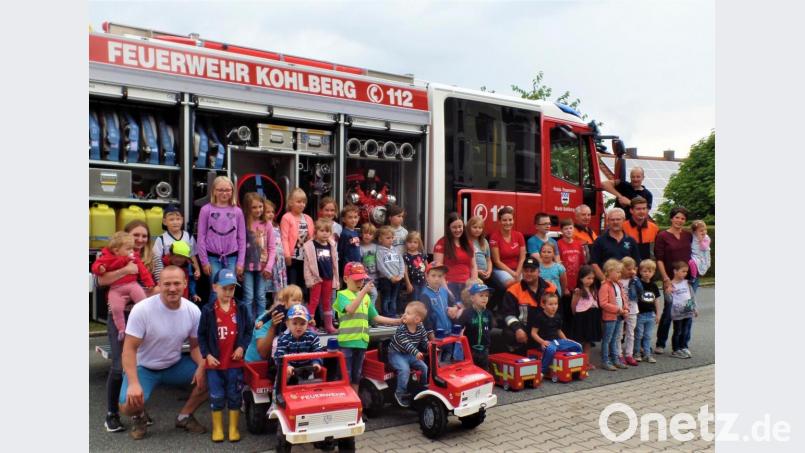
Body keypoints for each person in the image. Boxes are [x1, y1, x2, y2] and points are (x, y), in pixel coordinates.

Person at [118, 266, 207, 440]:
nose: (172, 288)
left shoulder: (193, 311)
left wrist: (202, 367)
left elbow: (195, 347)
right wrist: (134, 383)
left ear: (185, 283)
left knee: (213, 375)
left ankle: (185, 416)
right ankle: (139, 416)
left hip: (174, 365)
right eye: (167, 284)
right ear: (159, 284)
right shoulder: (142, 310)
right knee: (127, 405)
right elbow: (129, 349)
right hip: (144, 367)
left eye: (176, 283)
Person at [98, 220, 157, 433]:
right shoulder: (110, 252)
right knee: (118, 366)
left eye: (144, 236)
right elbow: (101, 280)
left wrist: (144, 293)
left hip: (142, 314)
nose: (140, 240)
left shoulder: (152, 257)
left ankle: (138, 411)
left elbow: (158, 286)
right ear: (126, 235)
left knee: (140, 365)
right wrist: (127, 270)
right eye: (136, 235)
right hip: (119, 316)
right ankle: (111, 414)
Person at [198, 269, 252, 442]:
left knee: (234, 395)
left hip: (234, 363)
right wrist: (206, 354)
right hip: (215, 364)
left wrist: (242, 347)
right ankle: (218, 428)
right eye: (224, 288)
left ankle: (234, 428)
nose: (228, 292)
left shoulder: (241, 308)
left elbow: (248, 330)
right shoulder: (207, 310)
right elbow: (201, 335)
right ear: (215, 287)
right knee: (217, 395)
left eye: (231, 288)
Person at [335, 262, 401, 391]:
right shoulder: (342, 295)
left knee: (357, 375)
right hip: (347, 342)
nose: (360, 283)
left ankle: (356, 403)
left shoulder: (365, 298)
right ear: (345, 279)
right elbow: (350, 309)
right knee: (345, 375)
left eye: (362, 280)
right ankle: (347, 403)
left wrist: (398, 321)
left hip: (362, 342)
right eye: (356, 280)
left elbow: (376, 317)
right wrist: (364, 291)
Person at [92, 232, 156, 343]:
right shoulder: (107, 257)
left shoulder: (133, 257)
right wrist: (100, 268)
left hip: (132, 285)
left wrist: (149, 282)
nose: (132, 251)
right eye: (129, 249)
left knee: (143, 302)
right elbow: (96, 266)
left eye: (132, 248)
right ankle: (121, 329)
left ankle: (149, 323)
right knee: (116, 309)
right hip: (115, 289)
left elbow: (142, 270)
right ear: (117, 250)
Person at [197, 176, 246, 304]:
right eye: (220, 190)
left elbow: (242, 238)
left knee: (230, 289)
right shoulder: (206, 210)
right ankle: (212, 320)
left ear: (232, 191)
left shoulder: (237, 211)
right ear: (213, 191)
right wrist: (204, 261)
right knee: (215, 290)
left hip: (232, 257)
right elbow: (201, 237)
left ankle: (228, 319)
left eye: (227, 190)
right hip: (213, 257)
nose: (224, 193)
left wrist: (240, 262)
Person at [654, 207, 693, 354]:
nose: (680, 220)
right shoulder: (662, 236)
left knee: (685, 312)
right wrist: (665, 279)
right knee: (669, 311)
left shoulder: (688, 235)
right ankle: (661, 343)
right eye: (677, 217)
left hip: (686, 280)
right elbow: (659, 259)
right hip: (670, 280)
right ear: (671, 218)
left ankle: (681, 345)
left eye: (682, 218)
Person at [498, 257, 556, 355]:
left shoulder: (551, 288)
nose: (528, 273)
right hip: (524, 330)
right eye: (525, 270)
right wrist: (518, 329)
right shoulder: (513, 290)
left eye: (532, 271)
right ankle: (518, 357)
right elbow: (508, 315)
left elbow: (558, 313)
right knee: (508, 333)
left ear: (539, 271)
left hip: (544, 329)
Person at [529, 292, 583, 377]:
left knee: (578, 346)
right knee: (551, 349)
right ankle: (542, 371)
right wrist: (542, 342)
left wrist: (566, 340)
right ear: (543, 305)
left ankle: (576, 369)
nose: (554, 306)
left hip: (557, 342)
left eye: (556, 304)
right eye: (550, 304)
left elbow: (559, 331)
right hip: (545, 343)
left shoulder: (558, 316)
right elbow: (533, 333)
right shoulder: (539, 317)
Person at [244, 285, 303, 363]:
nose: (281, 303)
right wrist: (273, 326)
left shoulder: (295, 316)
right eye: (279, 300)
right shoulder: (264, 318)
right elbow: (263, 354)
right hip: (256, 362)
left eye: (298, 300)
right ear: (274, 301)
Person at [388, 301, 431, 407]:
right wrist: (416, 352)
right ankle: (400, 393)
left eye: (408, 313)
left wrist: (430, 347)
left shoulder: (420, 327)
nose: (404, 315)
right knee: (404, 369)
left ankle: (423, 388)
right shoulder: (401, 329)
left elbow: (424, 340)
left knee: (424, 367)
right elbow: (406, 343)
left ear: (417, 319)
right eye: (405, 312)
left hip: (410, 354)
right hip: (396, 354)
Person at [242, 192, 276, 321]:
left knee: (261, 296)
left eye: (260, 207)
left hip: (263, 268)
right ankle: (249, 324)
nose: (258, 210)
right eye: (254, 207)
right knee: (248, 296)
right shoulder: (244, 224)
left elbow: (272, 248)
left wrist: (268, 267)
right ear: (247, 208)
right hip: (247, 267)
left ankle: (261, 323)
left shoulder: (267, 224)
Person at [302, 219, 340, 333]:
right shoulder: (311, 245)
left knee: (327, 301)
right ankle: (309, 325)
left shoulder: (331, 245)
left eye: (327, 231)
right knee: (314, 301)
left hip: (328, 277)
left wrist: (336, 279)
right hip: (316, 279)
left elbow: (334, 263)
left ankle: (328, 325)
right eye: (322, 231)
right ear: (316, 232)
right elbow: (307, 266)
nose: (325, 233)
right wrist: (309, 280)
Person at [433, 212, 477, 303]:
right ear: (448, 228)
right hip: (449, 284)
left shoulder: (469, 243)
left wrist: (473, 284)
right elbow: (437, 269)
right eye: (454, 227)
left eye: (460, 226)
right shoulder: (441, 243)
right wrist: (446, 290)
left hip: (467, 284)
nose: (458, 230)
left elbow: (473, 266)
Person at [274, 305, 324, 383]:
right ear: (287, 324)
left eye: (302, 324)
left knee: (313, 384)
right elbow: (279, 355)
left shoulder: (312, 337)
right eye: (294, 323)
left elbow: (318, 352)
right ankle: (277, 392)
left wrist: (316, 363)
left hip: (307, 370)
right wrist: (287, 366)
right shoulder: (283, 339)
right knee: (282, 377)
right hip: (289, 371)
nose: (298, 327)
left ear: (307, 324)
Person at [152, 204, 201, 282]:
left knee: (189, 280)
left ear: (182, 220)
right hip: (169, 270)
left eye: (178, 219)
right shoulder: (161, 239)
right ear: (165, 222)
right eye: (171, 219)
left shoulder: (188, 236)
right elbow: (156, 259)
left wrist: (197, 269)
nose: (175, 222)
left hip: (186, 270)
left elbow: (192, 255)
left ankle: (192, 293)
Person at [590, 208, 641, 281]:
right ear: (608, 221)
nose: (615, 222)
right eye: (612, 220)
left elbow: (636, 263)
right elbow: (594, 264)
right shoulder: (599, 241)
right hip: (607, 283)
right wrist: (605, 281)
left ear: (624, 220)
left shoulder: (631, 241)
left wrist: (630, 279)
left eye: (618, 219)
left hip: (626, 283)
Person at [281, 187, 315, 291]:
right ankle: (291, 304)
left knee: (303, 283)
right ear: (291, 202)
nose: (302, 204)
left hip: (305, 257)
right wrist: (287, 255)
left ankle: (301, 304)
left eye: (304, 202)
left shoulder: (308, 218)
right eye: (298, 202)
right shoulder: (287, 217)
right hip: (293, 257)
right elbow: (284, 237)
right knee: (292, 283)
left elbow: (312, 238)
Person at [599, 259, 629, 371]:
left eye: (620, 272)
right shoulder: (605, 286)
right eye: (617, 272)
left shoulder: (618, 285)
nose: (619, 274)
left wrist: (626, 307)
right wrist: (618, 310)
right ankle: (605, 361)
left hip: (619, 316)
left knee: (615, 338)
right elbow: (603, 303)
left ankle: (615, 359)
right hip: (610, 317)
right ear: (609, 271)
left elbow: (623, 298)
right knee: (607, 339)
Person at [570, 265, 602, 367]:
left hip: (592, 316)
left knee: (588, 342)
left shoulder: (594, 289)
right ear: (581, 278)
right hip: (582, 317)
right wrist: (577, 316)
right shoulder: (578, 291)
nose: (590, 281)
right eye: (588, 278)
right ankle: (577, 362)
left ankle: (586, 362)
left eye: (592, 278)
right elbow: (573, 305)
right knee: (580, 341)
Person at [457, 283, 494, 370]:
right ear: (472, 298)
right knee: (470, 371)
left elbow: (490, 327)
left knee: (484, 370)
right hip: (470, 349)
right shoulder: (466, 313)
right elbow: (458, 328)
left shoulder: (488, 314)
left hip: (484, 349)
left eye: (486, 296)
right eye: (481, 295)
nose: (484, 298)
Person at [488, 207, 526, 289]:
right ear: (499, 221)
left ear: (513, 220)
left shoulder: (519, 235)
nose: (508, 223)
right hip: (501, 270)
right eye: (504, 220)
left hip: (517, 269)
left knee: (530, 281)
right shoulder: (494, 237)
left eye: (510, 220)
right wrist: (513, 274)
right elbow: (497, 261)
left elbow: (522, 258)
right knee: (512, 284)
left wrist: (518, 273)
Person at [557, 218, 585, 330]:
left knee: (577, 310)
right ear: (561, 231)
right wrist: (564, 288)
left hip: (576, 284)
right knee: (566, 311)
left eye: (570, 228)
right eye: (565, 229)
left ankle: (576, 334)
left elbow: (582, 264)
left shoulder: (578, 244)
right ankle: (566, 334)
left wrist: (581, 284)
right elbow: (558, 267)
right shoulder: (558, 244)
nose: (568, 231)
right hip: (565, 284)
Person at [669, 261, 698, 359]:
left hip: (688, 310)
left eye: (686, 272)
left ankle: (683, 346)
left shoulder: (686, 283)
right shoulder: (671, 284)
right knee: (678, 331)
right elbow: (668, 299)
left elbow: (691, 296)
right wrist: (668, 292)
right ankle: (676, 349)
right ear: (675, 271)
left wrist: (694, 308)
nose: (685, 273)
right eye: (683, 271)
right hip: (678, 312)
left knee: (685, 330)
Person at [421, 262, 459, 336]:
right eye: (433, 275)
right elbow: (426, 317)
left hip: (450, 332)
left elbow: (453, 305)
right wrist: (430, 333)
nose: (437, 279)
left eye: (440, 276)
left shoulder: (444, 291)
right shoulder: (425, 295)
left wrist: (454, 308)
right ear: (427, 276)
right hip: (436, 334)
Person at [634, 259, 661, 363]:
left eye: (650, 271)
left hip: (651, 315)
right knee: (639, 335)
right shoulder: (638, 284)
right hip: (640, 314)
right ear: (640, 271)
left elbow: (657, 300)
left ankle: (647, 354)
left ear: (653, 272)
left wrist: (658, 314)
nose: (647, 273)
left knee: (648, 335)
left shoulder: (653, 286)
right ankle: (636, 353)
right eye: (645, 271)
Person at [376, 225, 405, 316]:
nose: (391, 240)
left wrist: (401, 275)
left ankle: (393, 314)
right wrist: (390, 276)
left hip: (397, 278)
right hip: (386, 279)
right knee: (386, 298)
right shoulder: (379, 251)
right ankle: (386, 315)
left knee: (394, 297)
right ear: (380, 239)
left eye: (392, 238)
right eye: (388, 238)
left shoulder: (395, 250)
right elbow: (380, 266)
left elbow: (401, 262)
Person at [263, 199, 287, 304]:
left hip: (279, 263)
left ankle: (278, 307)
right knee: (265, 287)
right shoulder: (261, 227)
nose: (271, 214)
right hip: (268, 262)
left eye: (272, 212)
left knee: (278, 290)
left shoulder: (276, 226)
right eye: (268, 212)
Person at [619, 257, 641, 367]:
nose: (631, 271)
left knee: (630, 333)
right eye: (628, 269)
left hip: (632, 308)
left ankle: (629, 354)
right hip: (620, 309)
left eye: (633, 269)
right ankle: (619, 354)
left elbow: (641, 291)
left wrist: (636, 279)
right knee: (618, 334)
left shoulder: (634, 280)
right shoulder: (617, 280)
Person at [622, 196, 659, 260]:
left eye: (644, 208)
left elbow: (658, 250)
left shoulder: (654, 228)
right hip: (629, 267)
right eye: (638, 209)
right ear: (631, 210)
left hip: (648, 267)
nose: (641, 211)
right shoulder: (623, 227)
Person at [337, 205, 362, 284]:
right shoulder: (345, 234)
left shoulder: (355, 232)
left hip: (357, 265)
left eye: (355, 217)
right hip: (348, 267)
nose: (353, 220)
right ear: (344, 219)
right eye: (350, 217)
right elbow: (341, 252)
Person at [467, 216, 493, 284]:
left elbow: (488, 259)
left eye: (480, 228)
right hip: (471, 274)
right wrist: (477, 271)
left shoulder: (484, 242)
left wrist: (489, 271)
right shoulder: (466, 242)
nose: (477, 230)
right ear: (469, 228)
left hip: (484, 275)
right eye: (475, 227)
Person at [403, 231, 428, 303]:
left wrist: (428, 280)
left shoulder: (422, 254)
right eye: (410, 242)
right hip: (413, 283)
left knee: (423, 299)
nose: (412, 244)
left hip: (423, 282)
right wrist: (408, 284)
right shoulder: (406, 256)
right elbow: (405, 271)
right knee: (414, 300)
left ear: (419, 243)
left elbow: (427, 267)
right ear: (406, 243)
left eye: (415, 242)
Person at [359, 222, 380, 309]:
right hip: (365, 278)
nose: (367, 235)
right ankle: (370, 313)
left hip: (376, 277)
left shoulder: (376, 247)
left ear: (374, 236)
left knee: (372, 294)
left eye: (370, 234)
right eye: (365, 233)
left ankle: (368, 312)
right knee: (373, 294)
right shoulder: (360, 247)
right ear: (361, 234)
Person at [688, 220, 712, 292]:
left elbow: (704, 248)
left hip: (702, 256)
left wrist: (701, 240)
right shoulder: (693, 236)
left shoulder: (706, 238)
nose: (704, 232)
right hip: (694, 255)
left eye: (705, 230)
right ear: (695, 232)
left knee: (694, 262)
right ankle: (693, 276)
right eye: (701, 231)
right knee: (691, 262)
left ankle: (694, 277)